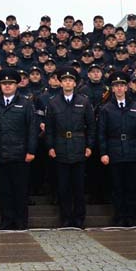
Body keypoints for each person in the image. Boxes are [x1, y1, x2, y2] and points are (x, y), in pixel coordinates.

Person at [0, 68, 39, 230]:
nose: (7, 86)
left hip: (21, 155)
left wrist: (31, 151)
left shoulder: (26, 103)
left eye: (11, 83)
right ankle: (7, 221)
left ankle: (21, 221)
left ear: (17, 85)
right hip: (0, 154)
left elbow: (32, 129)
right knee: (4, 191)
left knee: (21, 191)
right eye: (4, 84)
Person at [45, 68, 94, 228]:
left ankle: (79, 218)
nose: (67, 82)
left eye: (70, 80)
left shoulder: (84, 101)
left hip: (79, 146)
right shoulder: (53, 102)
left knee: (79, 187)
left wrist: (89, 145)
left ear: (75, 83)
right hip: (60, 147)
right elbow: (50, 128)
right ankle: (66, 218)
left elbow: (91, 126)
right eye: (64, 80)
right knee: (63, 187)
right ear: (60, 82)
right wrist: (50, 146)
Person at [96, 73, 136, 227]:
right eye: (116, 86)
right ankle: (118, 215)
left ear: (126, 87)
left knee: (131, 186)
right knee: (117, 187)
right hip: (114, 151)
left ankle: (130, 216)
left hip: (132, 151)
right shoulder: (106, 109)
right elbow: (102, 134)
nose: (119, 88)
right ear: (112, 89)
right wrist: (104, 153)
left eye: (122, 85)